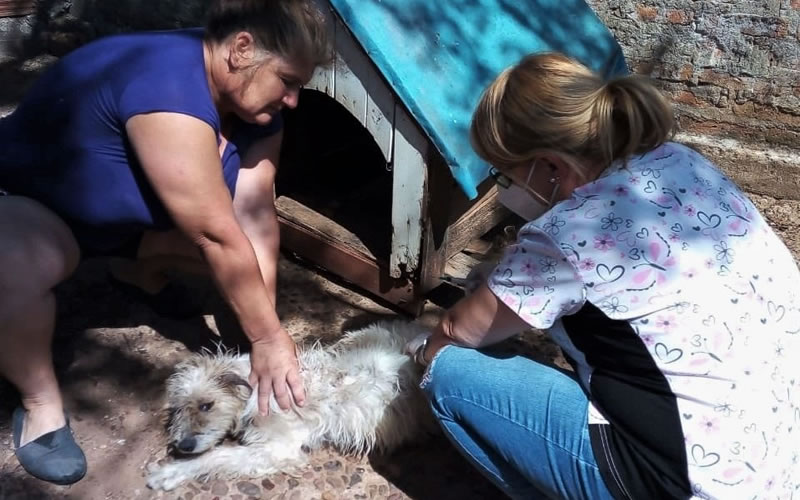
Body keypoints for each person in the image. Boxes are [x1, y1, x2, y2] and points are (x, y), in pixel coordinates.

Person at [408, 53, 799, 499]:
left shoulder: (570, 231)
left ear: (550, 167)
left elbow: (458, 329)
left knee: (448, 374)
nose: (501, 188)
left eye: (504, 175)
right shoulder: (683, 162)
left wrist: (421, 354)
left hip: (690, 484)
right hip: (774, 464)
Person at [0, 0, 331, 485]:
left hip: (123, 223)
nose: (293, 100)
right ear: (242, 49)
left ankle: (134, 271)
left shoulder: (256, 107)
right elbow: (215, 235)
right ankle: (39, 405)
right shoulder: (168, 87)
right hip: (35, 207)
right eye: (288, 81)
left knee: (246, 276)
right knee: (12, 269)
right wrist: (267, 338)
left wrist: (256, 337)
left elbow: (254, 214)